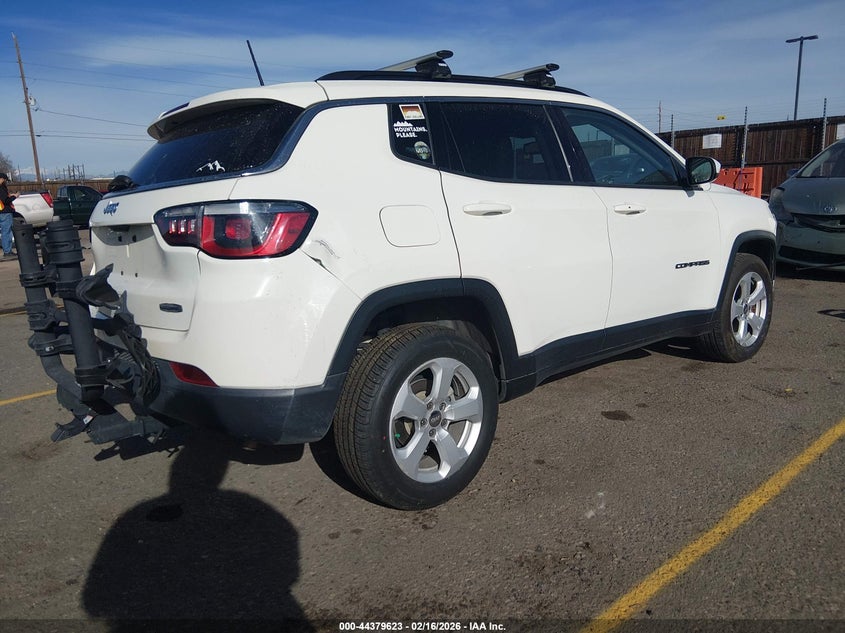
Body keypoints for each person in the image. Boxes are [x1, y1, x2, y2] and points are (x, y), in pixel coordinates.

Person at [0, 173, 17, 260]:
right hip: (5, 212)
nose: (5, 182)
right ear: (2, 179)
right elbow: (5, 200)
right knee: (6, 231)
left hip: (1, 212)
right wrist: (14, 197)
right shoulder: (1, 188)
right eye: (5, 180)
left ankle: (7, 250)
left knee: (4, 232)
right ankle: (7, 251)